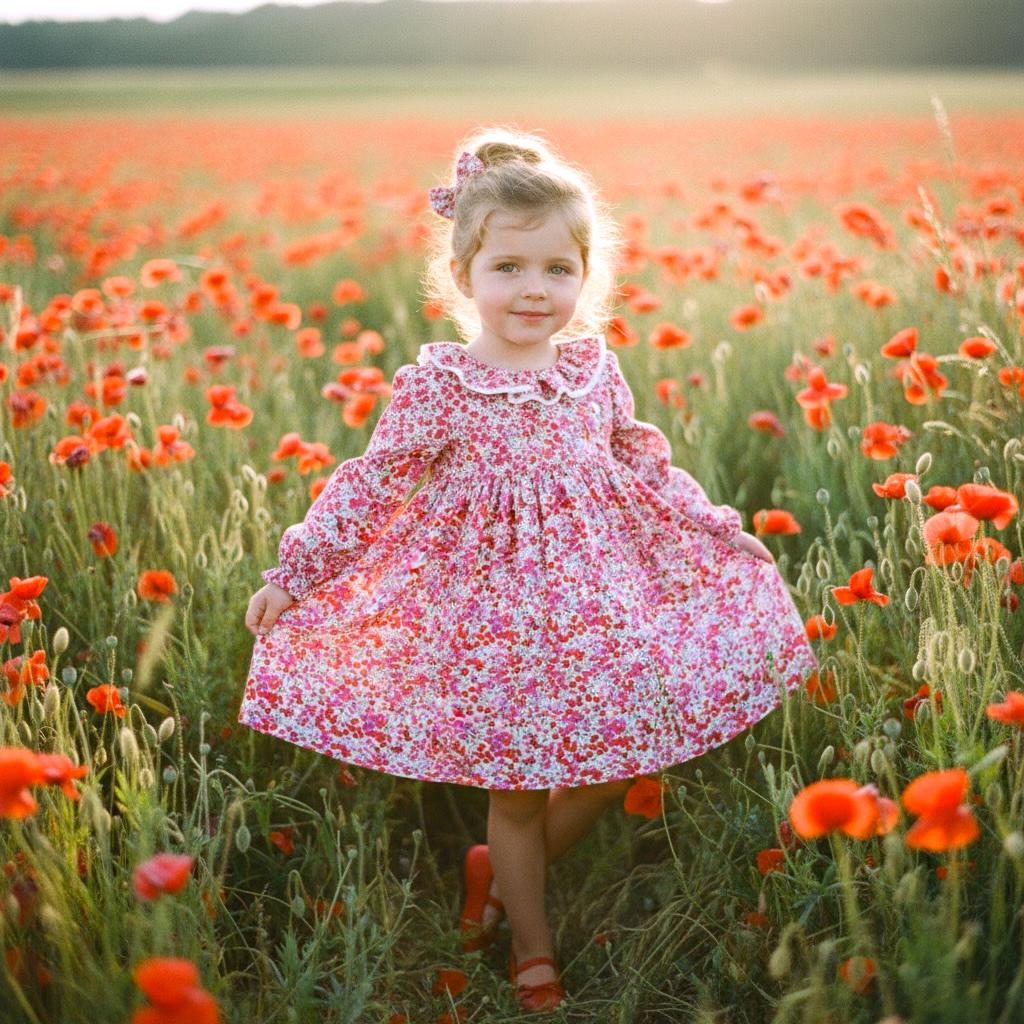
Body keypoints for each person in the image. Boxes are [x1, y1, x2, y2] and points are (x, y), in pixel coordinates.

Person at [240, 125, 819, 1014]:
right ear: (463, 274)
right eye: (508, 267)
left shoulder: (592, 370)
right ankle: (531, 942)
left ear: (585, 277)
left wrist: (714, 525)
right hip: (490, 620)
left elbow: (642, 461)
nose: (534, 289)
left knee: (623, 749)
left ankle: (504, 874)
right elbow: (372, 484)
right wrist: (298, 570)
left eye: (557, 268)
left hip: (597, 599)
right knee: (515, 793)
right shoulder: (442, 384)